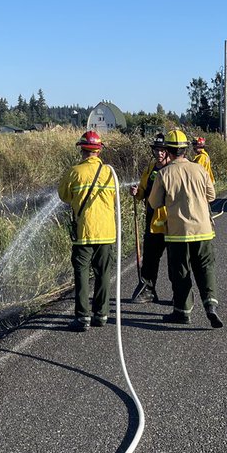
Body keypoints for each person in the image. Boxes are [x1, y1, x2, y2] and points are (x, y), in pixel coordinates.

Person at [147, 128, 222, 328]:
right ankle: (211, 305)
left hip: (178, 233)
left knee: (181, 272)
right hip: (204, 230)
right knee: (205, 268)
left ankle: (183, 311)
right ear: (186, 150)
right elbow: (211, 196)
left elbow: (154, 203)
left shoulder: (164, 174)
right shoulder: (200, 169)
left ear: (169, 151)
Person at [58, 130, 118, 331]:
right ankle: (101, 315)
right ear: (99, 151)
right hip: (107, 232)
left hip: (84, 231)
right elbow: (115, 200)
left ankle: (82, 317)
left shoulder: (74, 171)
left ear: (82, 150)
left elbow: (64, 196)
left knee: (82, 273)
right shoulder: (110, 173)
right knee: (103, 273)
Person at [129, 132, 167, 303]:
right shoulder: (150, 168)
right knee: (150, 257)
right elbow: (143, 190)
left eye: (162, 150)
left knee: (177, 261)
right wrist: (137, 193)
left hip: (172, 222)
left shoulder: (173, 168)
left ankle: (181, 297)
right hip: (152, 221)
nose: (159, 154)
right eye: (156, 150)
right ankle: (148, 290)